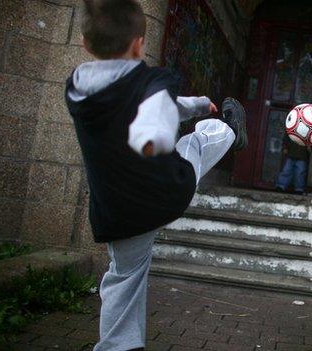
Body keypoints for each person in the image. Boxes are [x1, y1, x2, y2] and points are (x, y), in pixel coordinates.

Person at [64, 1, 247, 350]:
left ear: (86, 44)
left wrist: (196, 103)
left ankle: (119, 346)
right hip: (164, 193)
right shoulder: (152, 81)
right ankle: (229, 131)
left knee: (123, 277)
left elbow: (158, 103)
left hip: (116, 212)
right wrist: (152, 138)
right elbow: (156, 113)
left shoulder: (76, 90)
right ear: (138, 43)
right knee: (201, 140)